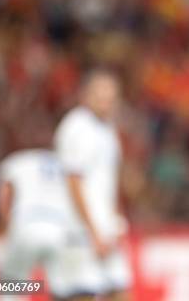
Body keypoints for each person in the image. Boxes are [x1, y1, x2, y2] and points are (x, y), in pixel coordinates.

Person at [54, 69, 132, 300]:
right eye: (100, 92)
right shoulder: (76, 127)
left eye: (110, 93)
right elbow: (73, 182)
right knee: (82, 294)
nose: (106, 99)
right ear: (85, 94)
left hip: (104, 230)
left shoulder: (108, 130)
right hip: (79, 231)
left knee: (120, 292)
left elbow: (109, 183)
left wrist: (115, 220)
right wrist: (92, 232)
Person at [0, 149, 88, 300]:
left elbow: (4, 197)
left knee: (11, 287)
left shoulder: (17, 160)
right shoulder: (64, 164)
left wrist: (7, 230)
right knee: (65, 292)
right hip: (61, 230)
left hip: (26, 225)